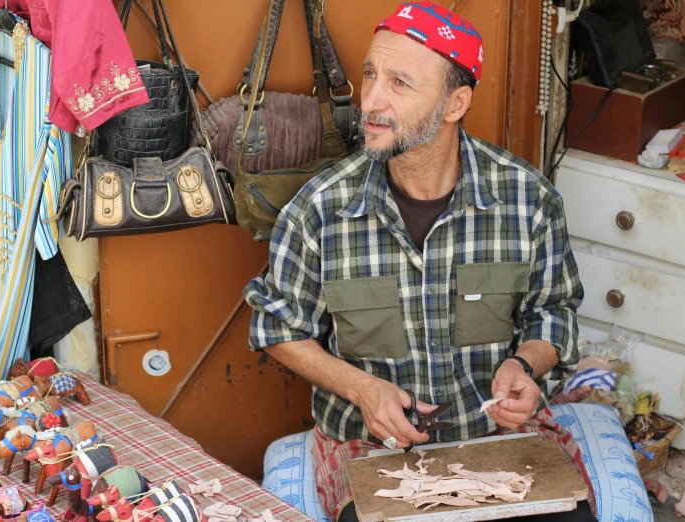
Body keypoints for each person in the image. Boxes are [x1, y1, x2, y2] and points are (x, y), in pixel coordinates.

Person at [244, 2, 594, 520]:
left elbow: (554, 311)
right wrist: (362, 389)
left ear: (454, 103)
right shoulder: (320, 210)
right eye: (370, 75)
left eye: (399, 83)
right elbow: (277, 328)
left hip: (497, 439)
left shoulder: (528, 200)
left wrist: (526, 365)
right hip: (369, 449)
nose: (372, 101)